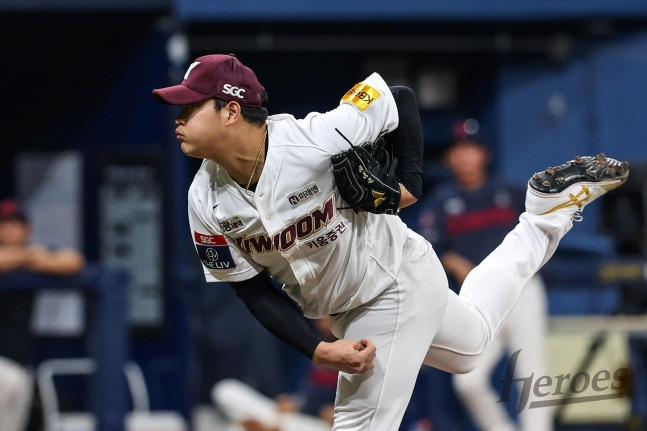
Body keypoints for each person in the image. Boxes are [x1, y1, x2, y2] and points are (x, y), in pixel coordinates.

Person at [151, 53, 629, 430]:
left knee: (357, 425)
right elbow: (249, 288)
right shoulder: (203, 199)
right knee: (475, 344)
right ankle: (544, 217)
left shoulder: (314, 138)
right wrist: (316, 350)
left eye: (190, 107)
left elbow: (395, 96)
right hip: (351, 306)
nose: (178, 117)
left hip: (390, 285)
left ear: (232, 110)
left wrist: (410, 185)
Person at [417, 132, 552, 431]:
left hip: (521, 290)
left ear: (484, 154)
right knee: (468, 381)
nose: (464, 157)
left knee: (531, 374)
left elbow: (540, 233)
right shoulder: (443, 200)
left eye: (471, 149)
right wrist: (453, 261)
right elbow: (427, 249)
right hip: (479, 299)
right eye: (457, 150)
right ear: (449, 158)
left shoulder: (511, 192)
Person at [0, 198, 85, 431]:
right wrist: (28, 257)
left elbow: (73, 261)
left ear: (27, 229)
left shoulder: (33, 255)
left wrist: (30, 258)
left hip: (20, 363)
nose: (9, 229)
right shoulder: (29, 257)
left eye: (15, 223)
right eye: (4, 224)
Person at [212, 318, 338, 431]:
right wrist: (292, 401)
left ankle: (268, 426)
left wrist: (331, 412)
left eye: (326, 316)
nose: (319, 320)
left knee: (238, 427)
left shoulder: (350, 352)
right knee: (225, 390)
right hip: (293, 416)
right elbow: (300, 392)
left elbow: (334, 410)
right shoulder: (317, 348)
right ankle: (269, 425)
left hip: (320, 423)